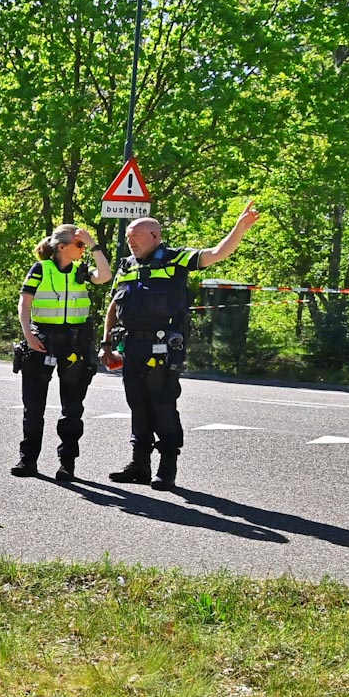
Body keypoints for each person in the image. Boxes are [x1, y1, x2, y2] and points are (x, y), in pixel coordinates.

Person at [102, 206, 260, 490]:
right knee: (137, 404)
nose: (131, 242)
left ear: (154, 235)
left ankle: (167, 466)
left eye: (135, 236)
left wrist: (240, 228)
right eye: (128, 237)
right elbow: (114, 304)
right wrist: (106, 344)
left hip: (163, 345)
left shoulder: (175, 259)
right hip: (133, 344)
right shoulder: (127, 265)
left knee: (162, 404)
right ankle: (139, 464)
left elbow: (216, 253)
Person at [13, 224, 114, 481]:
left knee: (72, 407)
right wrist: (29, 335)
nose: (83, 249)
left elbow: (105, 276)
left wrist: (94, 245)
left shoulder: (81, 271)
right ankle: (28, 460)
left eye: (83, 246)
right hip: (43, 340)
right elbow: (25, 303)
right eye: (79, 245)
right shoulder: (42, 269)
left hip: (75, 342)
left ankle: (67, 463)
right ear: (62, 247)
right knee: (33, 406)